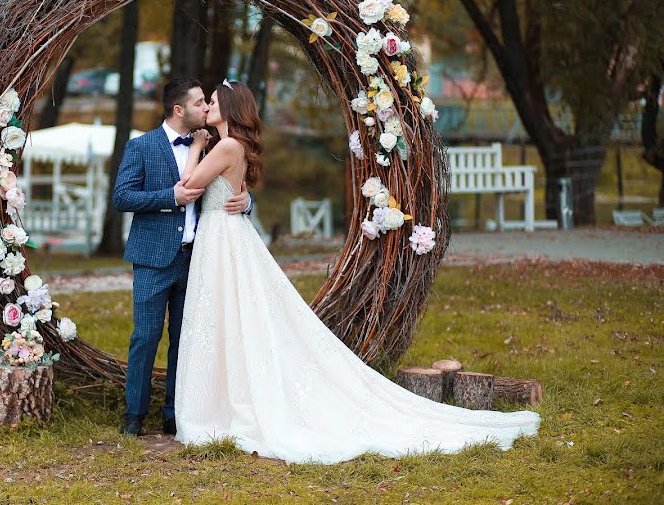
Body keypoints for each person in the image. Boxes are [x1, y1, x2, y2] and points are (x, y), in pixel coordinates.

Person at [173, 80, 541, 464]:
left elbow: (189, 185)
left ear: (229, 107)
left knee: (226, 314)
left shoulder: (227, 146)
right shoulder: (232, 147)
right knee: (226, 318)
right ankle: (228, 397)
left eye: (212, 102)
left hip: (223, 239)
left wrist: (197, 146)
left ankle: (228, 405)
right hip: (223, 237)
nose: (207, 108)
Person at [112, 78, 252, 436]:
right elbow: (122, 197)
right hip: (153, 257)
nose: (206, 108)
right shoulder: (141, 147)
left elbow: (234, 186)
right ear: (180, 110)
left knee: (186, 338)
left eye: (208, 102)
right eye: (200, 103)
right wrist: (168, 198)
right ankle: (134, 414)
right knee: (145, 336)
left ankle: (175, 411)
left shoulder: (211, 147)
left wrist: (249, 203)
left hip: (199, 257)